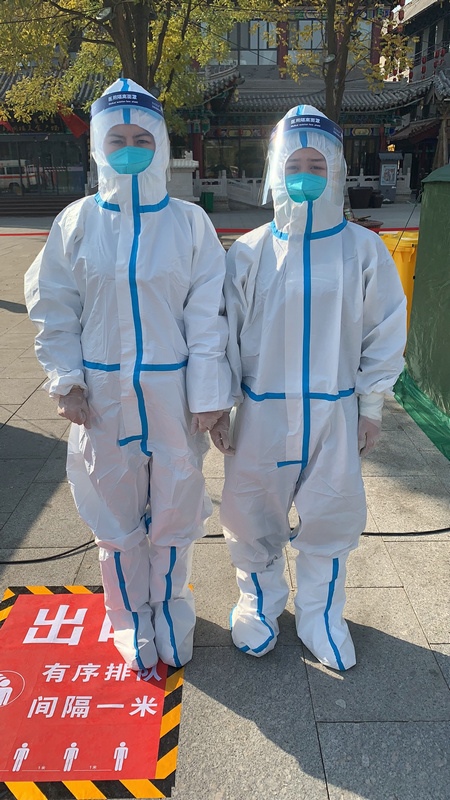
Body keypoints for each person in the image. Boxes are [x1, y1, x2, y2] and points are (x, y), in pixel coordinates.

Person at [25, 78, 232, 671]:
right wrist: (66, 380)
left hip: (172, 395)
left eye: (143, 138)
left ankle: (169, 608)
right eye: (118, 139)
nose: (131, 149)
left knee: (175, 507)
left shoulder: (189, 223)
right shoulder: (77, 221)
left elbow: (208, 314)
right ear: (98, 146)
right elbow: (54, 305)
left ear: (161, 144)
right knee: (114, 514)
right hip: (103, 396)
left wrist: (210, 393)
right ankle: (128, 615)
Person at [210, 105, 406, 671]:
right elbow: (222, 334)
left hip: (333, 410)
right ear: (276, 169)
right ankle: (259, 603)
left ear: (336, 170)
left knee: (332, 513)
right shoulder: (249, 252)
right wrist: (219, 404)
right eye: (293, 165)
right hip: (261, 411)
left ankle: (322, 615)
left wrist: (371, 406)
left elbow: (383, 330)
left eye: (316, 165)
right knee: (251, 513)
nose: (304, 175)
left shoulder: (362, 250)